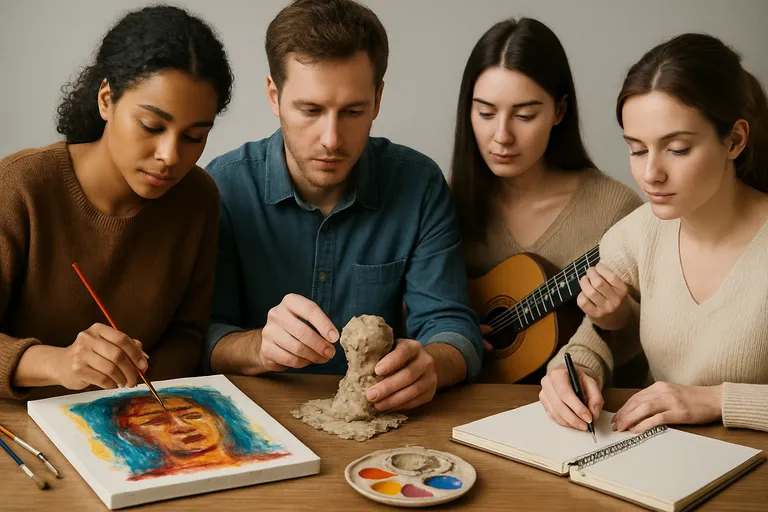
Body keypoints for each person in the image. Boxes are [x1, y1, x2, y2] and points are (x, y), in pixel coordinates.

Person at [205, 0, 482, 412]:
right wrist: (258, 346)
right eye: (310, 110)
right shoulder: (224, 186)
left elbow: (453, 326)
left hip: (380, 421)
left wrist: (433, 366)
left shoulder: (419, 184)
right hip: (254, 419)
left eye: (353, 111)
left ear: (378, 98)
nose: (331, 139)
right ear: (274, 96)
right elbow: (202, 336)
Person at [0, 5, 233, 399]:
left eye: (194, 136)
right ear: (106, 99)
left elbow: (187, 336)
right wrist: (59, 363)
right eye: (152, 126)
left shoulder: (198, 198)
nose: (170, 156)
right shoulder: (20, 186)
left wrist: (130, 386)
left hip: (131, 417)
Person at [541, 33, 768, 433]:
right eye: (637, 149)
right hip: (659, 456)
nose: (651, 174)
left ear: (734, 140)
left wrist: (715, 400)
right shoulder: (635, 235)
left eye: (677, 149)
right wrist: (570, 374)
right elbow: (593, 336)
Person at [449, 17, 643, 383]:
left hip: (580, 404)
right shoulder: (444, 202)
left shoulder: (617, 211)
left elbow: (656, 333)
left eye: (524, 115)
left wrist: (622, 319)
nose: (502, 135)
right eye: (485, 113)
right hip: (464, 403)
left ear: (560, 111)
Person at [69, 390, 288, 480]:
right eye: (156, 421)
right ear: (132, 435)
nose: (181, 426)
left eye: (192, 415)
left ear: (218, 419)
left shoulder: (275, 461)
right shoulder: (143, 482)